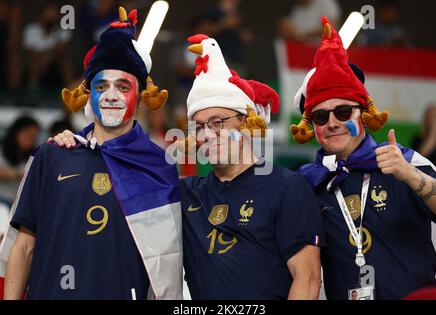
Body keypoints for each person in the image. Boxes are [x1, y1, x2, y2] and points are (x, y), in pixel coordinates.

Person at [51, 34, 325, 300]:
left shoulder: (288, 187)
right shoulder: (183, 192)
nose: (207, 134)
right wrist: (81, 148)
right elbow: (122, 182)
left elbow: (308, 278)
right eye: (200, 126)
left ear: (246, 122)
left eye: (218, 122)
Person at [0, 7, 182, 300]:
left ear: (140, 96)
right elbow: (24, 246)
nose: (111, 95)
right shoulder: (52, 155)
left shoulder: (159, 167)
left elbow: (167, 264)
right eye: (101, 86)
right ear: (89, 93)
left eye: (123, 86)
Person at [291, 17, 436, 300]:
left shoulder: (404, 160)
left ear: (363, 115)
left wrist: (410, 175)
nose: (333, 123)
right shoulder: (307, 183)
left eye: (344, 112)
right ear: (312, 127)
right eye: (321, 117)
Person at [0, 116, 40, 204]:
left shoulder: (35, 156)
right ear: (16, 132)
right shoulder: (2, 150)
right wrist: (19, 174)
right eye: (27, 135)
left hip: (19, 204)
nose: (30, 140)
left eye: (33, 137)